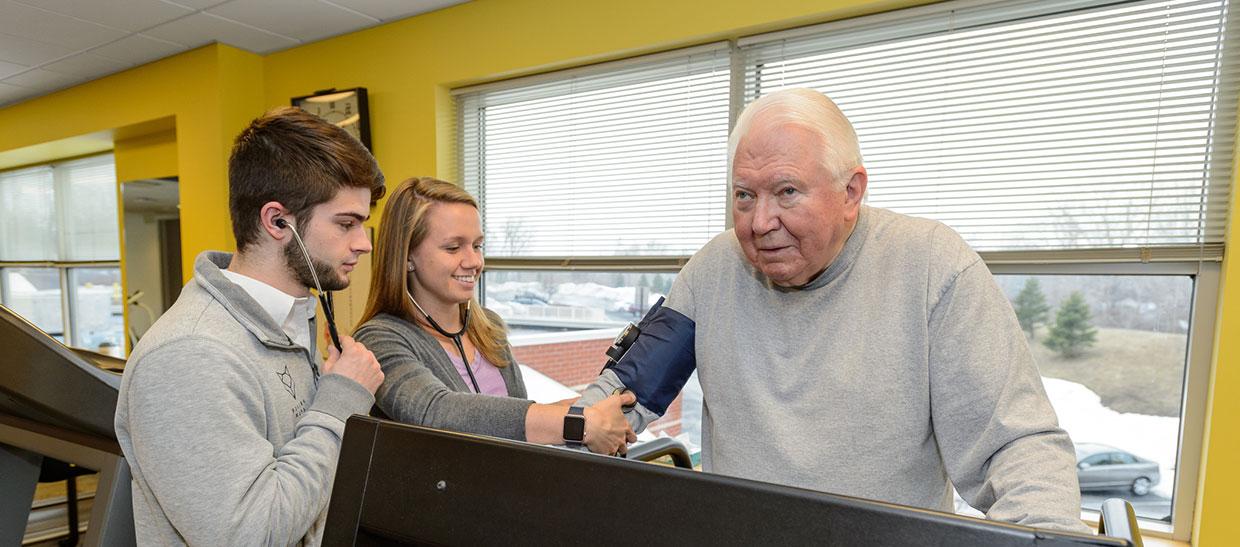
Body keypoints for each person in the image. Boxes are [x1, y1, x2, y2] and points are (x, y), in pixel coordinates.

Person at [581, 88, 1091, 532]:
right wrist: (564, 428)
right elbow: (621, 397)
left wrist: (1044, 534)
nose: (760, 221)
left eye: (787, 191)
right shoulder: (712, 271)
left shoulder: (933, 267)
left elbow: (1015, 447)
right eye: (744, 195)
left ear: (851, 192)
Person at [114, 107, 386, 545]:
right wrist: (341, 401)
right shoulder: (190, 354)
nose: (364, 243)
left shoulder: (289, 325)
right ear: (277, 221)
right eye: (346, 223)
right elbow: (248, 534)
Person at [353, 177, 636, 455]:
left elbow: (517, 420)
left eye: (477, 245)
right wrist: (579, 424)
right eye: (453, 247)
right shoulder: (378, 339)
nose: (474, 261)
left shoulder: (487, 328)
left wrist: (592, 411)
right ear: (406, 257)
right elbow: (435, 411)